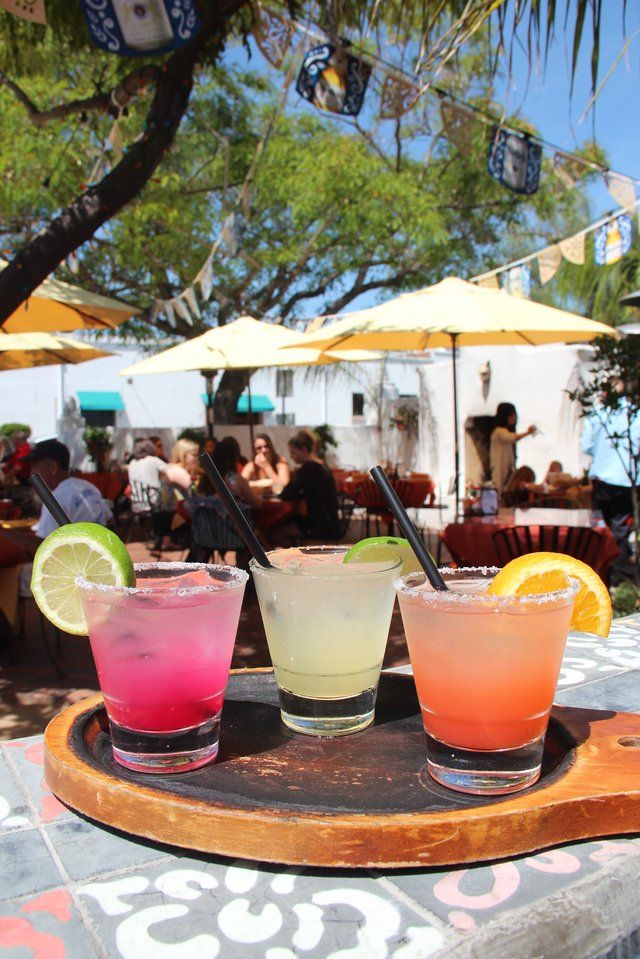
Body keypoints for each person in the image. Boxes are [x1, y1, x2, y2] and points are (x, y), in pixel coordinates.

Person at [1, 440, 113, 598]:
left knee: (8, 577)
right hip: (100, 564)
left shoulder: (57, 497)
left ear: (52, 467)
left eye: (34, 466)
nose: (30, 472)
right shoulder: (87, 486)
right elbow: (110, 520)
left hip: (74, 575)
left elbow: (42, 546)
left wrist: (4, 534)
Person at [582, 400, 640, 577]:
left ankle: (597, 576)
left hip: (602, 480)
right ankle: (614, 577)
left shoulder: (599, 411)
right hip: (626, 480)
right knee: (619, 533)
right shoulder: (636, 411)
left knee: (598, 532)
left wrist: (604, 456)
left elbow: (587, 446)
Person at [269, 431, 340, 545]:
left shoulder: (308, 468)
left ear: (304, 450)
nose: (291, 457)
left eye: (293, 453)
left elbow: (287, 494)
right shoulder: (322, 465)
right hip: (331, 522)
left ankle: (295, 558)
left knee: (273, 533)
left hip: (319, 526)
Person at [489, 402, 537, 493]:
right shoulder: (499, 431)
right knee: (499, 491)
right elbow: (513, 437)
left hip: (507, 469)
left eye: (514, 415)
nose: (513, 418)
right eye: (510, 415)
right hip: (500, 468)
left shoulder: (504, 431)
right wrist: (527, 433)